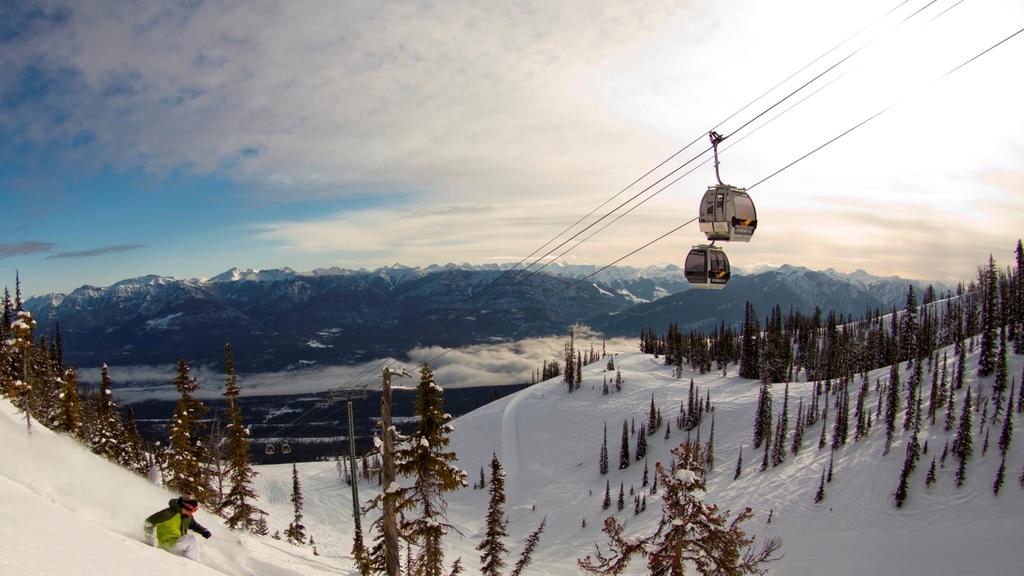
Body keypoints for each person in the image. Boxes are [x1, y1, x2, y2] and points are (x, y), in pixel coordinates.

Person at [144, 494, 212, 561]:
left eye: (194, 510)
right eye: (192, 510)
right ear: (185, 506)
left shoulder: (187, 516)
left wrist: (204, 531)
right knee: (192, 539)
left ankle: (191, 559)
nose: (192, 513)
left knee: (197, 546)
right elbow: (149, 522)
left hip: (177, 542)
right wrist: (150, 540)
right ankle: (192, 563)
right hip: (166, 543)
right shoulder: (169, 513)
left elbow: (194, 525)